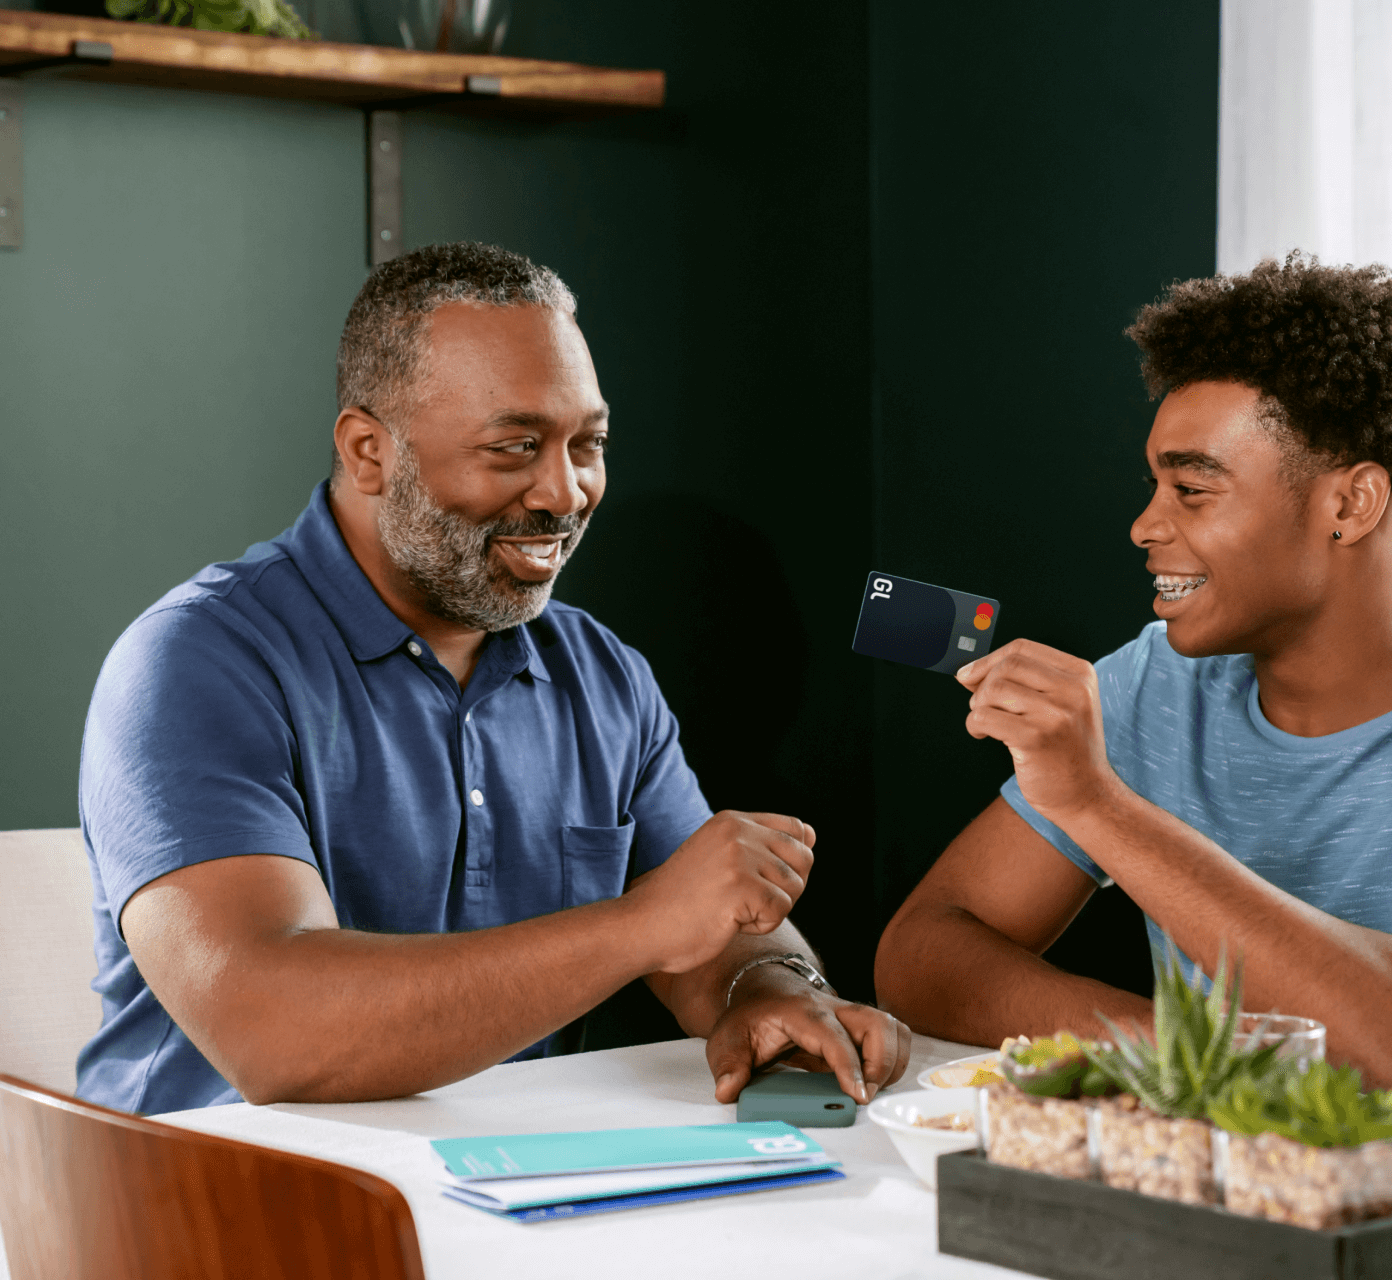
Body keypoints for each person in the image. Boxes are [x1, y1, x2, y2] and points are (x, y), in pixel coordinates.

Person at [78, 242, 909, 1114]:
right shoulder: (196, 663)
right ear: (369, 452)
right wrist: (638, 927)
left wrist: (771, 995)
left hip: (504, 1186)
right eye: (514, 448)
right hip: (207, 1201)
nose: (565, 491)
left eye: (587, 443)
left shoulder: (601, 675)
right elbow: (278, 1036)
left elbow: (713, 930)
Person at [873, 254, 1392, 1124]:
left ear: (1351, 504)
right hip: (1228, 1215)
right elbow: (922, 953)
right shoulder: (1157, 687)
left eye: (1194, 489)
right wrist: (1178, 1058)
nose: (1145, 524)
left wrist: (1099, 805)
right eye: (1154, 486)